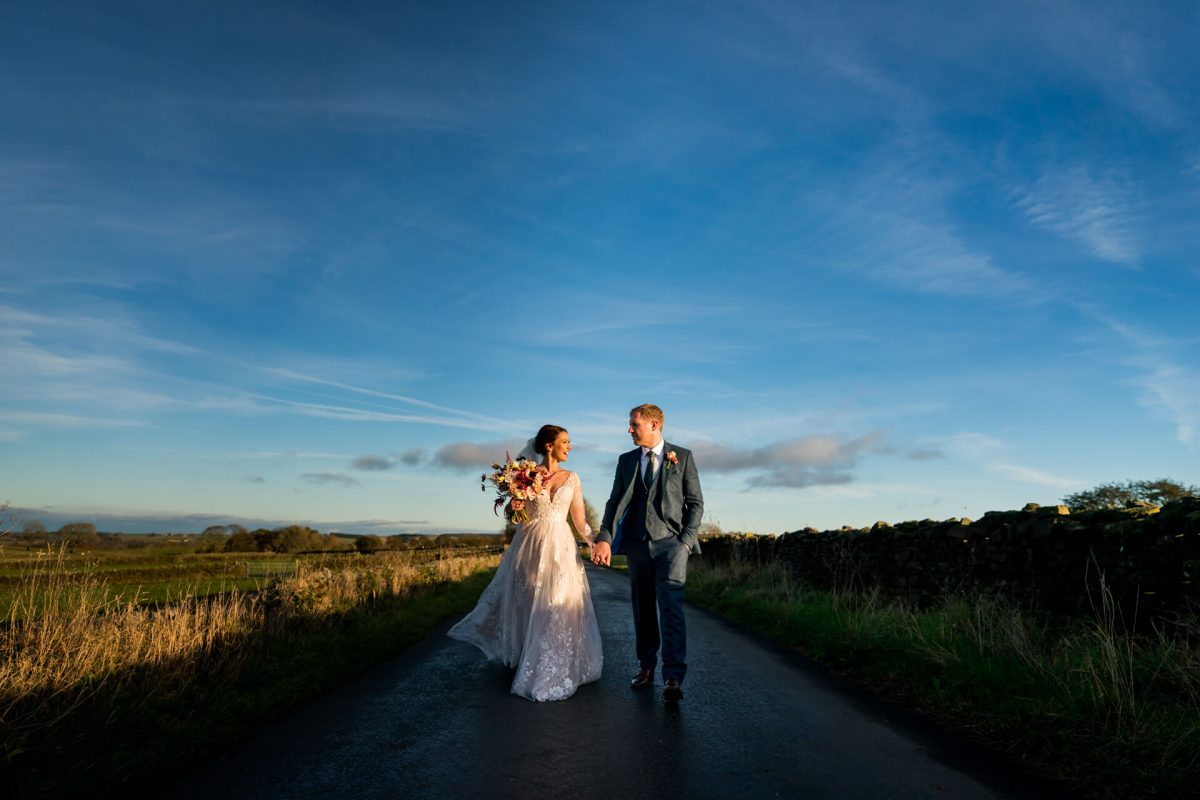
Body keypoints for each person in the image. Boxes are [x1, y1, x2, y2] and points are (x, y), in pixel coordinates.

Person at [449, 424, 603, 701]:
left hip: (561, 547)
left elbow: (580, 521)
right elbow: (512, 513)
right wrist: (513, 507)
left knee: (557, 602)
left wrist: (596, 542)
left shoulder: (573, 478)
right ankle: (526, 654)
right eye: (565, 442)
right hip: (531, 546)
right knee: (530, 601)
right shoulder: (526, 475)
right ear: (548, 445)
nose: (570, 447)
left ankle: (553, 663)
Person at [591, 404, 703, 702]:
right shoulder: (626, 461)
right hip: (637, 544)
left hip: (672, 545)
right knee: (642, 609)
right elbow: (614, 502)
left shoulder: (683, 457)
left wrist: (686, 543)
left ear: (654, 425)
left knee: (671, 609)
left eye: (634, 424)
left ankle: (673, 676)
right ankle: (646, 667)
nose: (629, 430)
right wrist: (604, 537)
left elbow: (695, 503)